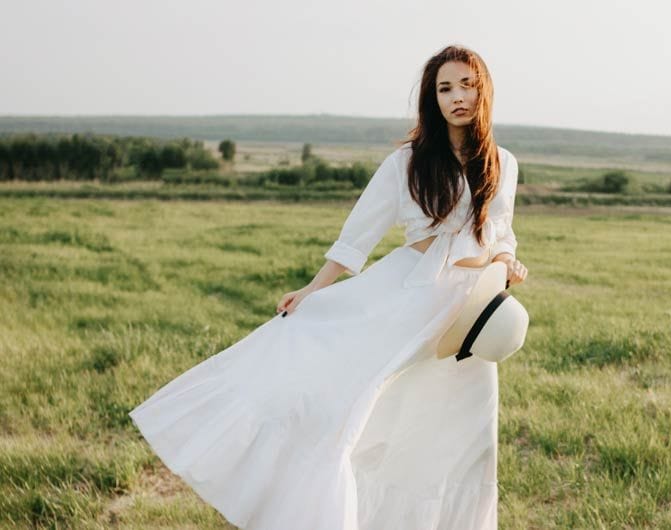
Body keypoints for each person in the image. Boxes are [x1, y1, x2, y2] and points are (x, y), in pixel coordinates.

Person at [128, 44, 528, 530]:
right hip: (411, 298)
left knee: (459, 430)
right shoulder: (408, 162)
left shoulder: (502, 162)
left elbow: (501, 231)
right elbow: (358, 232)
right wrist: (314, 289)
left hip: (474, 313)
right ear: (432, 99)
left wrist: (507, 262)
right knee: (349, 405)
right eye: (445, 88)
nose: (457, 97)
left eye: (467, 85)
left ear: (483, 90)